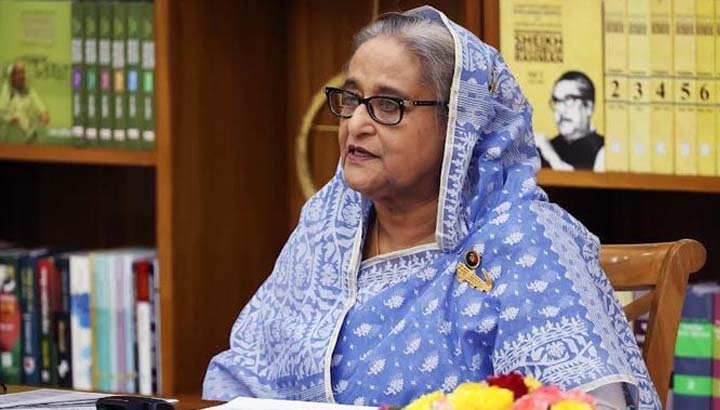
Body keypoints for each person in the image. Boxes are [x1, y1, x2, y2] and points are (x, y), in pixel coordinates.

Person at [203, 6, 659, 409]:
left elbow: (585, 403)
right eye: (351, 99)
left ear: (459, 123)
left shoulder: (523, 239)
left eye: (387, 105)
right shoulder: (328, 224)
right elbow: (243, 376)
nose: (356, 124)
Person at [536, 71, 605, 172]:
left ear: (588, 107)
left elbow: (580, 181)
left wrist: (552, 158)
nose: (560, 109)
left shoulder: (604, 149)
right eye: (556, 101)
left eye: (569, 100)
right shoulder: (545, 148)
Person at [0, 62, 50, 142]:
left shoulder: (29, 91)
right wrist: (10, 119)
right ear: (12, 76)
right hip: (8, 138)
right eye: (18, 73)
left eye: (23, 72)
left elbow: (39, 106)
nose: (22, 76)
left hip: (27, 140)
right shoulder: (6, 91)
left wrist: (43, 113)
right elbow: (1, 114)